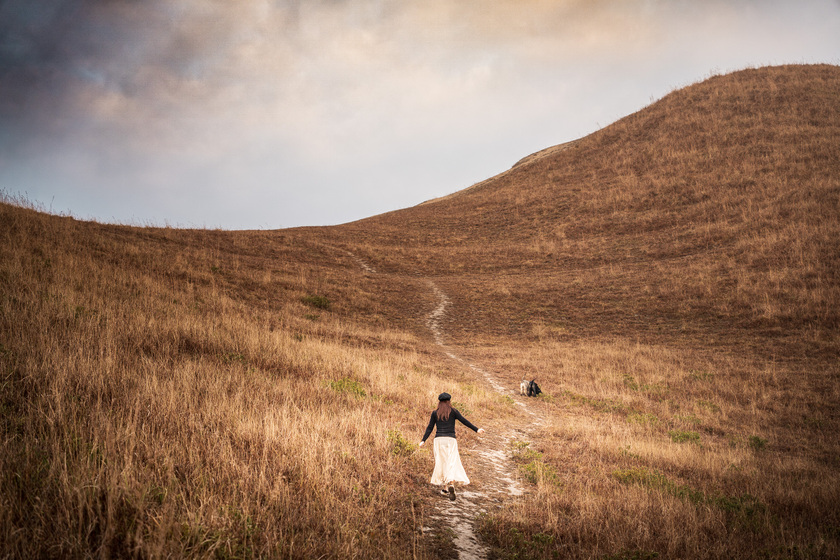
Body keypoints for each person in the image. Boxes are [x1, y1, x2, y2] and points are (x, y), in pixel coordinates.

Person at [419, 392, 485, 501]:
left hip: (439, 440)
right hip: (450, 440)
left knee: (442, 462)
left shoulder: (435, 413)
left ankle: (445, 489)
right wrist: (476, 429)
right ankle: (451, 485)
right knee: (451, 462)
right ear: (449, 401)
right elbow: (464, 421)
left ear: (439, 402)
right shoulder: (454, 411)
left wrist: (423, 440)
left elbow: (429, 427)